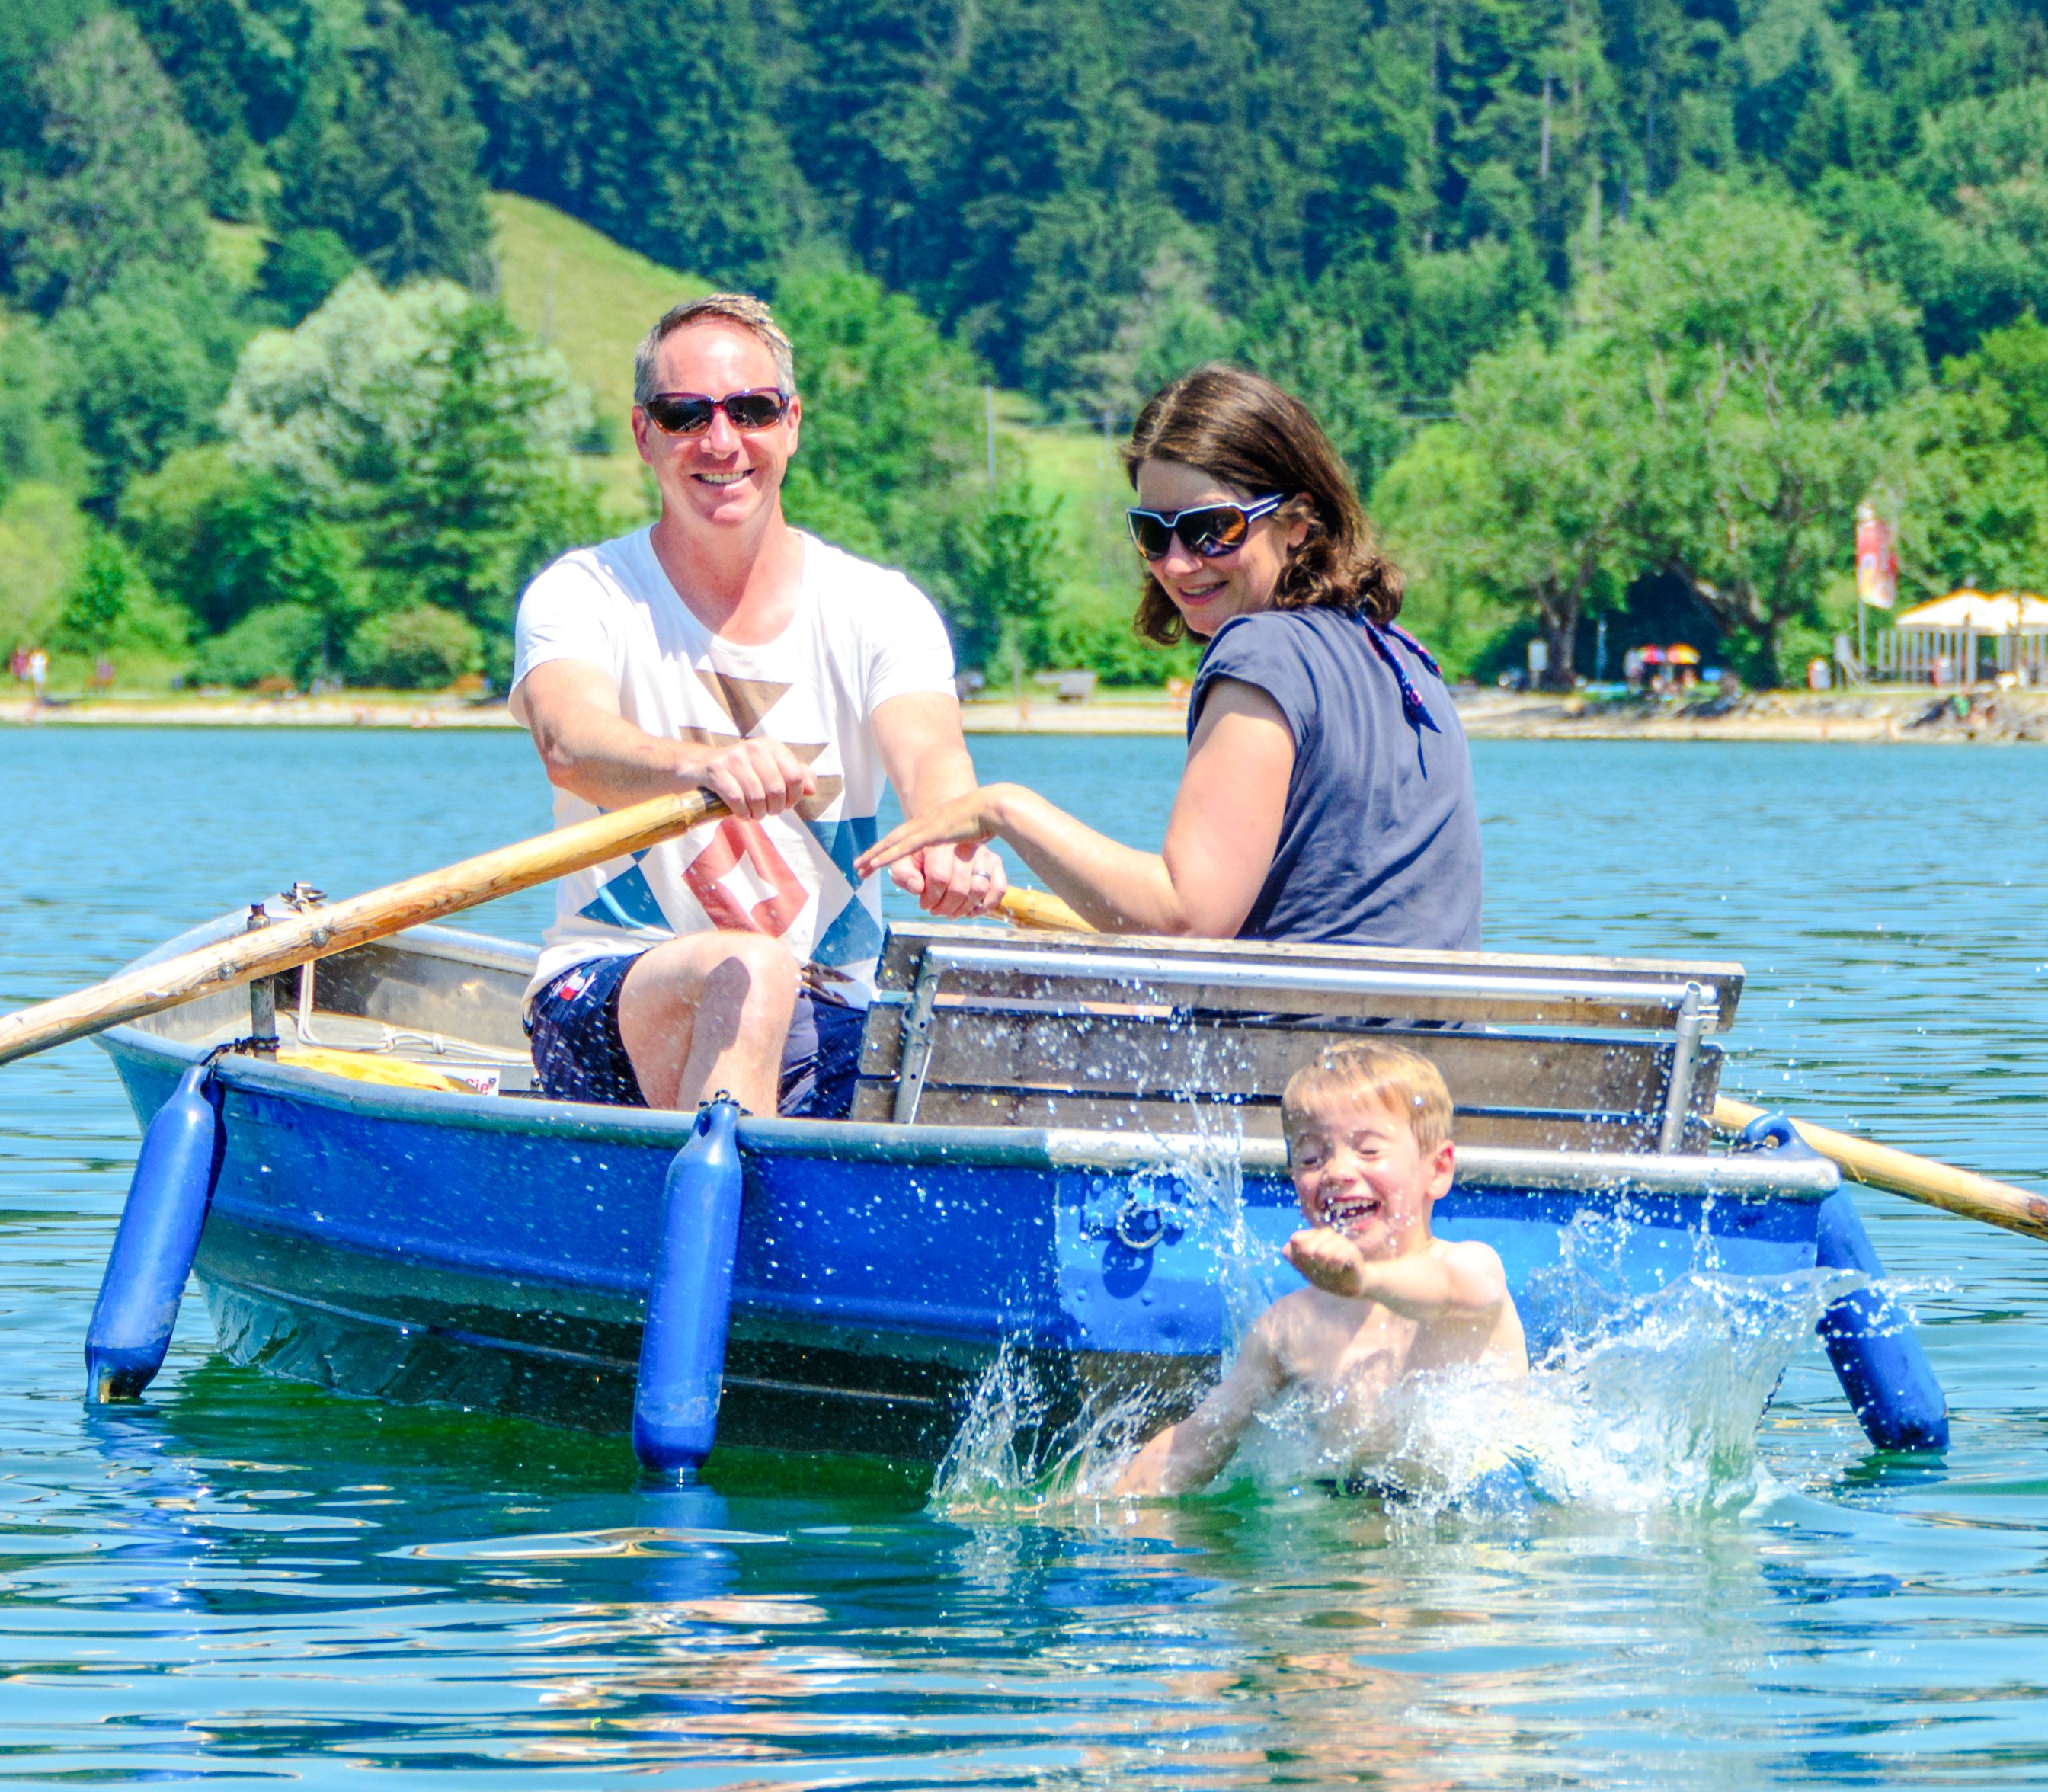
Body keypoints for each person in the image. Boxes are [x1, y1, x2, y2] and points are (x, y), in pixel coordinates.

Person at [509, 293, 1004, 1119]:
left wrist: (951, 837)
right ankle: (727, 1227)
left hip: (835, 1011)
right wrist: (700, 766)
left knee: (961, 1030)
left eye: (751, 409)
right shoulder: (583, 593)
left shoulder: (881, 608)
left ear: (792, 423)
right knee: (752, 969)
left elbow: (931, 759)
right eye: (683, 414)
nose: (721, 441)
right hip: (612, 989)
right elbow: (570, 738)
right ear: (643, 435)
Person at [853, 363, 1480, 946]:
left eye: (1213, 528)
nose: (1177, 563)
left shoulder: (1261, 653)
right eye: (1153, 533)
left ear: (1297, 521)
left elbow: (1188, 914)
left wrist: (1003, 809)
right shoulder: (1402, 655)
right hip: (1426, 1055)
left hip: (1308, 1055)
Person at [1114, 1043, 1524, 1496]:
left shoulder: (1469, 1264)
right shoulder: (1290, 1327)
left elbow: (1451, 1290)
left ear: (1438, 1169)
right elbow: (1197, 1444)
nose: (1336, 1171)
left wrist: (1366, 1281)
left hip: (1484, 1527)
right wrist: (1098, 1508)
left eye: (1368, 1150)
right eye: (1311, 1157)